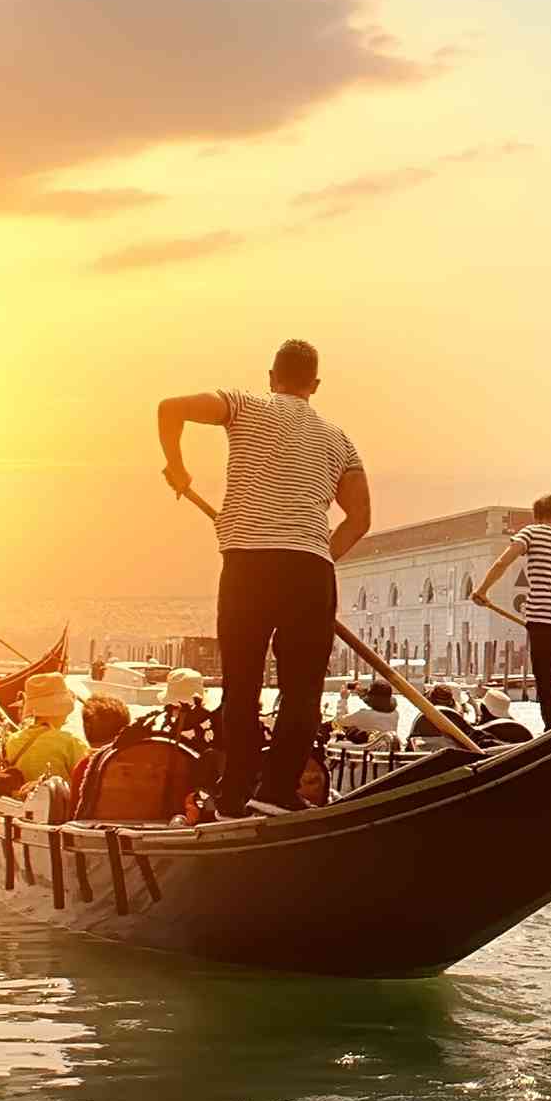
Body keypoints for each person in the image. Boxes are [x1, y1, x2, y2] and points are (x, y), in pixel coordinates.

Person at [157, 339, 373, 815]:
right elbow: (359, 518)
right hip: (310, 570)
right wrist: (320, 553)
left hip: (248, 565)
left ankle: (234, 793)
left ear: (271, 376)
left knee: (243, 684)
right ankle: (275, 793)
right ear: (314, 385)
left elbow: (169, 409)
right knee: (302, 691)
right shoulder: (339, 439)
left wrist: (177, 467)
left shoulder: (242, 404)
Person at [474, 496, 551, 729]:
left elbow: (503, 562)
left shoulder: (531, 532)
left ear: (536, 515)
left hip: (543, 617)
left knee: (545, 677)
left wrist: (482, 590)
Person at [0, 671, 86, 794]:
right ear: (60, 708)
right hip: (56, 809)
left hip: (24, 808)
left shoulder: (12, 740)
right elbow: (86, 783)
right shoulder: (70, 742)